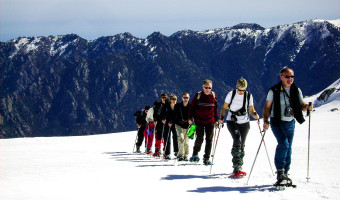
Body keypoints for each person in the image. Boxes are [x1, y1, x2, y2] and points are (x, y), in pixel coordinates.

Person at [263, 67, 313, 184]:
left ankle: (285, 172)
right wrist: (266, 120)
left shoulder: (296, 90)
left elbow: (300, 105)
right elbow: (267, 107)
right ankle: (280, 172)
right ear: (281, 77)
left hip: (290, 122)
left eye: (292, 77)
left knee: (289, 147)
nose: (290, 79)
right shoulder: (274, 90)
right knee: (284, 143)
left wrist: (307, 108)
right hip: (277, 122)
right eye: (287, 76)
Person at [218, 78, 259, 174]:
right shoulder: (231, 94)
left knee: (242, 144)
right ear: (236, 87)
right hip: (232, 120)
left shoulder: (249, 96)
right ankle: (236, 165)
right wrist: (222, 117)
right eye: (240, 90)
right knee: (237, 139)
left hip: (244, 122)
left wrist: (255, 115)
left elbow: (251, 109)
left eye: (243, 90)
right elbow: (224, 107)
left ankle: (239, 165)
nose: (241, 92)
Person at [188, 79, 219, 165]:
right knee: (200, 138)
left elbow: (216, 108)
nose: (208, 89)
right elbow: (191, 107)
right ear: (203, 87)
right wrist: (190, 117)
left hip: (210, 121)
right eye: (206, 87)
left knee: (209, 140)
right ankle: (195, 154)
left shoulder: (213, 95)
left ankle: (206, 158)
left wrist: (216, 119)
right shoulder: (198, 95)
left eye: (209, 88)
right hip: (199, 120)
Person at [160, 94, 179, 159]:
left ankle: (176, 151)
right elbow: (162, 114)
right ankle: (167, 153)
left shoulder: (177, 106)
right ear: (170, 100)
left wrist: (172, 121)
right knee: (167, 138)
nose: (174, 101)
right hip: (167, 123)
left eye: (175, 99)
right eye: (173, 99)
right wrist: (163, 119)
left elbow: (177, 115)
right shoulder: (166, 106)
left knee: (176, 137)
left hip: (175, 123)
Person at [174, 92, 191, 161]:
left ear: (189, 98)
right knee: (181, 138)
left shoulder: (191, 106)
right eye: (184, 97)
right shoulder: (178, 105)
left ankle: (186, 155)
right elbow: (174, 115)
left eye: (187, 98)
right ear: (182, 98)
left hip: (187, 125)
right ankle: (180, 155)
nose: (185, 99)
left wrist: (191, 120)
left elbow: (193, 115)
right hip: (178, 124)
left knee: (186, 141)